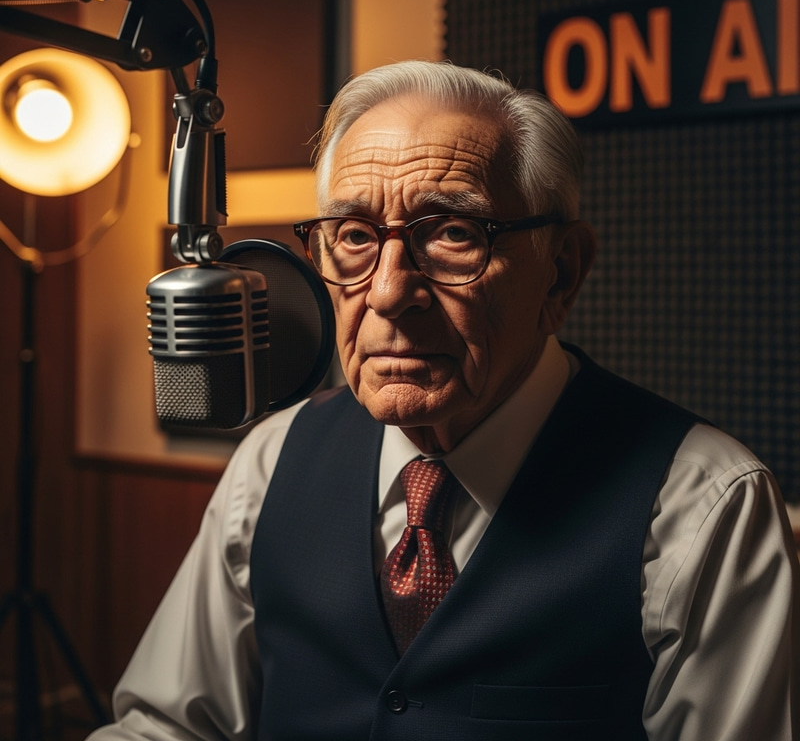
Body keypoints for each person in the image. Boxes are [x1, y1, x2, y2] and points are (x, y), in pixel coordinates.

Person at [88, 60, 799, 741]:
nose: (390, 293)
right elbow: (169, 725)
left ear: (561, 274)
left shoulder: (706, 506)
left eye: (455, 233)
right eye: (356, 237)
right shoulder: (272, 460)